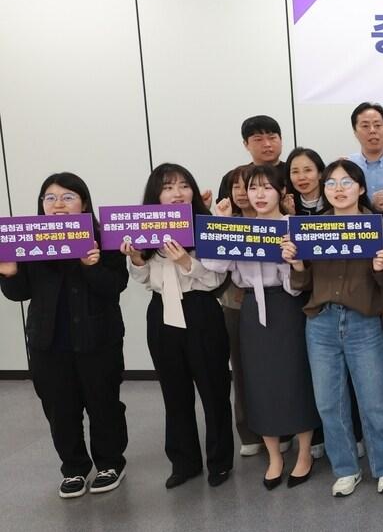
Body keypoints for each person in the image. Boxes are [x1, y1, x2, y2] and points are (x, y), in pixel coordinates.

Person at [0, 173, 129, 499]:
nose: (58, 204)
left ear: (84, 203)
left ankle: (110, 463)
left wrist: (91, 266)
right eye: (50, 198)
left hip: (98, 339)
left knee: (104, 404)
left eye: (68, 197)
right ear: (42, 205)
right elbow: (19, 293)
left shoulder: (104, 237)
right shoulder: (27, 240)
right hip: (48, 342)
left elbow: (115, 287)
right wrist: (10, 274)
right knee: (59, 409)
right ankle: (73, 468)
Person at [201, 165, 319, 491]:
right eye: (253, 188)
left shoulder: (293, 226)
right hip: (252, 308)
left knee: (296, 377)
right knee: (258, 381)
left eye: (267, 188)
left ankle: (304, 453)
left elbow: (301, 282)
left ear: (282, 192)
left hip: (288, 307)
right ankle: (274, 457)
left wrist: (290, 261)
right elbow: (214, 266)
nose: (259, 195)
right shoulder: (239, 227)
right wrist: (223, 225)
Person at [287, 160, 383, 496]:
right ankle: (346, 468)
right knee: (329, 403)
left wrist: (381, 267)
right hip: (321, 323)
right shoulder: (312, 228)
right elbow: (303, 282)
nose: (338, 189)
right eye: (331, 183)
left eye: (347, 182)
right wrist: (297, 264)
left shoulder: (379, 227)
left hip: (363, 321)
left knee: (375, 400)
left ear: (361, 188)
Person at [121, 164, 233, 489]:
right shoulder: (144, 228)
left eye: (184, 186)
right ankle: (184, 462)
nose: (177, 193)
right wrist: (137, 259)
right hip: (161, 312)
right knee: (174, 392)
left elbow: (216, 280)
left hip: (200, 310)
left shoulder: (205, 224)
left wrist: (186, 261)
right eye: (168, 187)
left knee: (213, 390)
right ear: (156, 195)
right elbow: (144, 280)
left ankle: (220, 461)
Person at [215, 165, 269, 458]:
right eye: (235, 186)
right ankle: (248, 430)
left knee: (273, 368)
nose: (243, 192)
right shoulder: (226, 223)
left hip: (274, 304)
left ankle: (279, 428)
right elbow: (214, 267)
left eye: (249, 185)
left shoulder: (273, 220)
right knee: (242, 368)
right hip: (235, 306)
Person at [348, 102, 383, 211]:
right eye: (365, 126)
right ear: (355, 132)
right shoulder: (347, 166)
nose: (372, 130)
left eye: (377, 125)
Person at [286, 147, 328, 216]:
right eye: (295, 171)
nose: (301, 177)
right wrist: (290, 215)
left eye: (308, 170)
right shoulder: (287, 207)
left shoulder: (334, 204)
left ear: (320, 174)